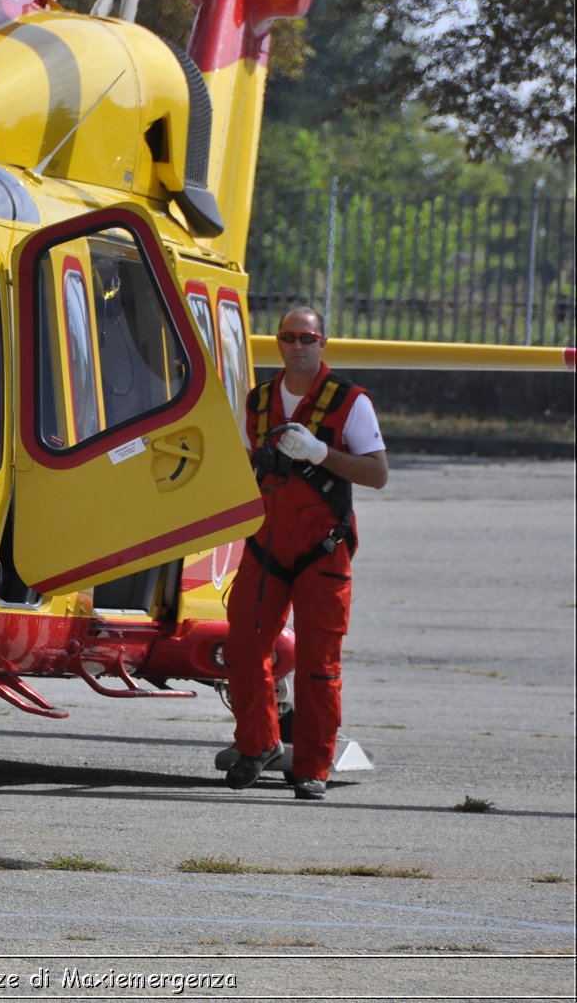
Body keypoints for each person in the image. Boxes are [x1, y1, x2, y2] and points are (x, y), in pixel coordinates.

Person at [222, 306, 388, 800]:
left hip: (323, 549)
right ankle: (258, 746)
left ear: (323, 343)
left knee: (320, 663)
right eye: (289, 338)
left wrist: (319, 455)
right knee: (245, 649)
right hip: (266, 543)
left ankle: (312, 766)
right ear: (279, 343)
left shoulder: (350, 401)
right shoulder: (257, 402)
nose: (298, 346)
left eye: (307, 338)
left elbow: (377, 474)